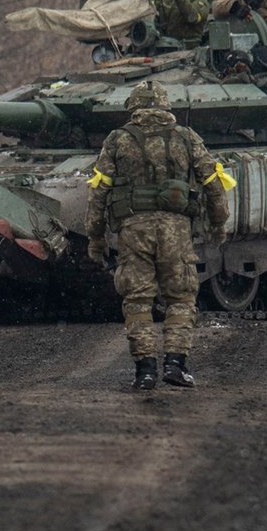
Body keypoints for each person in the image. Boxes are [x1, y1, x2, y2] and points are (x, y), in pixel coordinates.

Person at [86, 81, 234, 390]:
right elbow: (212, 180)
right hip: (175, 229)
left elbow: (99, 189)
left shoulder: (117, 140)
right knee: (180, 297)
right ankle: (176, 366)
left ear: (133, 107)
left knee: (138, 299)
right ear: (166, 107)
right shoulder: (186, 137)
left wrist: (96, 236)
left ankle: (146, 371)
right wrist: (218, 223)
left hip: (133, 230)